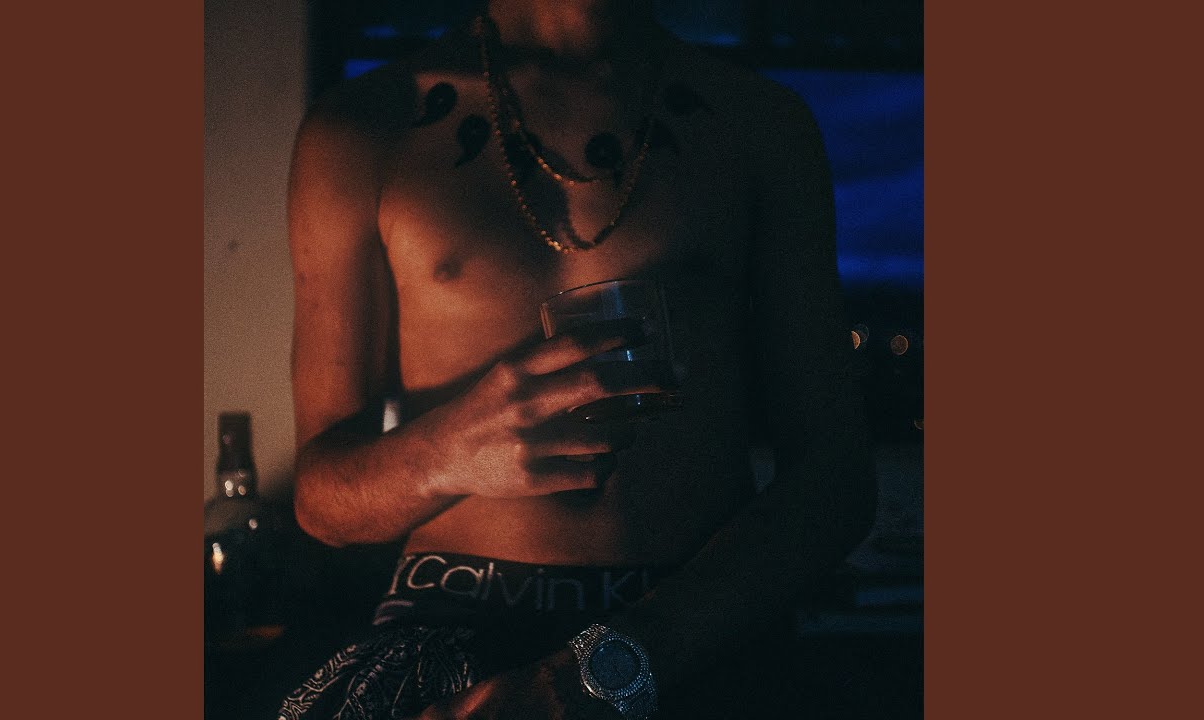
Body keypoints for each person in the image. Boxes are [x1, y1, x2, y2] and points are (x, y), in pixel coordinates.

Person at [279, 1, 875, 718]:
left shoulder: (759, 124)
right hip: (451, 633)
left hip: (695, 632)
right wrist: (444, 455)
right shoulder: (363, 128)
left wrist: (609, 667)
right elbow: (322, 502)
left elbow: (835, 482)